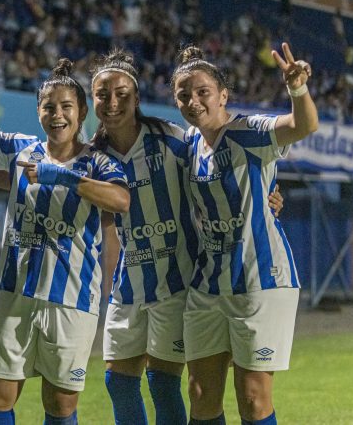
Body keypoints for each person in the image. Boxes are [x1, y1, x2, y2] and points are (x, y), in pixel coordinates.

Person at [90, 49, 283, 425]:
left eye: (122, 95)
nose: (112, 103)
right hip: (128, 285)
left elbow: (228, 169)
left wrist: (268, 195)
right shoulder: (93, 154)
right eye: (102, 95)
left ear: (137, 98)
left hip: (179, 283)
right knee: (118, 382)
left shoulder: (173, 140)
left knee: (165, 385)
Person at [0, 58, 131, 425]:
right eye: (49, 107)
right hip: (16, 296)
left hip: (72, 302)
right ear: (38, 112)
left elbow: (121, 200)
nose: (57, 115)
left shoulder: (98, 163)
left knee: (60, 405)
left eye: (67, 107)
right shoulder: (23, 149)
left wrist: (59, 176)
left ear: (82, 112)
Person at [171, 42, 318, 425]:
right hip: (207, 285)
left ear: (223, 95)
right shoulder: (187, 145)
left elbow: (302, 125)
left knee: (252, 398)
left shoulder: (248, 132)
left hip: (260, 279)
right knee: (200, 395)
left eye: (203, 92)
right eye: (183, 95)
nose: (193, 101)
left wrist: (297, 89)